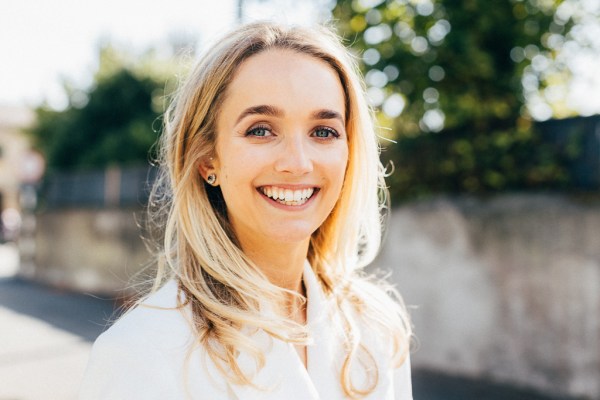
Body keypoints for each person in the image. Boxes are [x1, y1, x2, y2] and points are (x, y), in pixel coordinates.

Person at [79, 21, 413, 399]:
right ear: (208, 160)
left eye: (323, 131)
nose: (298, 163)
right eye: (260, 129)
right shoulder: (140, 353)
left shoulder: (377, 328)